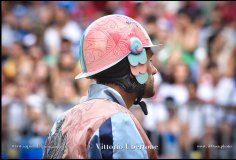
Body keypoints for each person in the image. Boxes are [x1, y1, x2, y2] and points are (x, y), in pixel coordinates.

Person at [43, 14, 162, 159]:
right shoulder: (117, 121)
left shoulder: (62, 120)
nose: (154, 69)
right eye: (149, 60)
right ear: (134, 67)